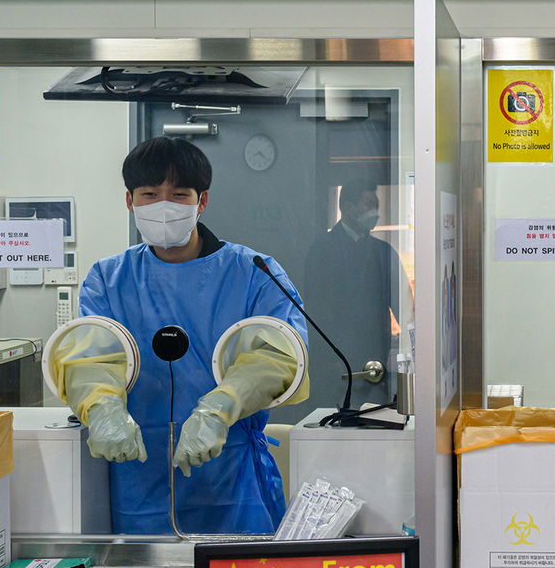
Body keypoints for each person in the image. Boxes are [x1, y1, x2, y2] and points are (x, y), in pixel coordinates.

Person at [68, 137, 309, 535]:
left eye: (179, 194)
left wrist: (219, 409)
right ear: (130, 201)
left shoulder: (254, 272)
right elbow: (91, 358)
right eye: (150, 194)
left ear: (202, 201)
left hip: (231, 477)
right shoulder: (108, 279)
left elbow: (277, 357)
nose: (164, 205)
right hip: (137, 478)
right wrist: (102, 408)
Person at [303, 179, 409, 408]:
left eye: (376, 205)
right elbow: (315, 309)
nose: (375, 212)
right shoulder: (322, 251)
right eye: (369, 204)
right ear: (348, 207)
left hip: (375, 358)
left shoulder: (383, 252)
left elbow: (403, 306)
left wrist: (410, 346)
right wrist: (324, 358)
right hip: (333, 359)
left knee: (375, 420)